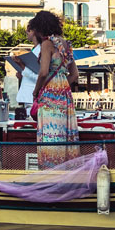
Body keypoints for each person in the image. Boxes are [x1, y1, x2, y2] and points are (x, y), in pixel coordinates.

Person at [29, 10, 80, 169]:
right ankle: (66, 170)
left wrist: (36, 91)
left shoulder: (46, 44)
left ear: (40, 27)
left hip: (50, 94)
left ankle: (51, 171)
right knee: (63, 133)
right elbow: (75, 75)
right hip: (64, 93)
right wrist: (62, 85)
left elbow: (43, 71)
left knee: (51, 135)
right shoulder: (66, 44)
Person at [14, 25, 42, 117]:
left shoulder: (40, 50)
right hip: (28, 97)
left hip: (33, 97)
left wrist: (22, 66)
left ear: (35, 32)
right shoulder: (34, 50)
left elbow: (40, 76)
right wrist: (22, 74)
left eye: (29, 30)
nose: (26, 32)